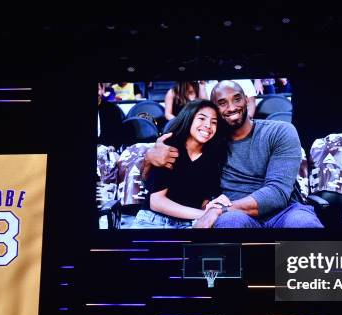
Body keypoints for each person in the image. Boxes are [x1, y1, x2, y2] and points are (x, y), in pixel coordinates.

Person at [145, 80, 323, 229]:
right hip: (235, 215)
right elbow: (176, 170)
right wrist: (149, 157)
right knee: (229, 224)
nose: (231, 107)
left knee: (303, 223)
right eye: (222, 103)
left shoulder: (280, 131)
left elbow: (277, 193)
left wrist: (217, 210)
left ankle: (300, 272)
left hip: (284, 211)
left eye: (237, 99)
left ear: (247, 100)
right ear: (214, 109)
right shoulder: (210, 140)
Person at [131, 99, 229, 229]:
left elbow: (203, 201)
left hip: (189, 223)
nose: (208, 125)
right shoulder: (169, 147)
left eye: (214, 122)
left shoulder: (214, 156)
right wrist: (206, 213)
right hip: (153, 220)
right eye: (202, 119)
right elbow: (157, 202)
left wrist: (214, 207)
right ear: (189, 119)